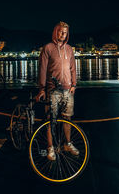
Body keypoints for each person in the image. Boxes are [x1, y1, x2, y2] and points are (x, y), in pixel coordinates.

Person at [36, 21, 79, 161]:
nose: (62, 34)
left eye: (65, 32)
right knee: (51, 120)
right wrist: (42, 89)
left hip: (68, 89)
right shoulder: (47, 48)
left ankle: (68, 144)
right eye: (60, 31)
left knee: (67, 118)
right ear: (56, 31)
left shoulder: (69, 49)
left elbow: (73, 67)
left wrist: (74, 84)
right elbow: (42, 69)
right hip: (52, 89)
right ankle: (50, 148)